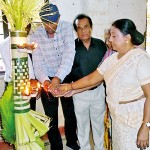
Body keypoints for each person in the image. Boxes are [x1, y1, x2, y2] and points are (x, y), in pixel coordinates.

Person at [56, 18, 150, 150]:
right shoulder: (112, 59)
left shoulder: (140, 58)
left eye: (114, 36)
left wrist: (146, 126)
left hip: (136, 120)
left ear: (127, 38)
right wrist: (72, 88)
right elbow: (93, 79)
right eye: (110, 36)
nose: (110, 40)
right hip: (118, 120)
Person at [29, 3, 79, 150]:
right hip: (46, 78)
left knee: (69, 112)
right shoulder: (35, 34)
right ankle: (56, 146)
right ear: (42, 21)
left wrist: (58, 78)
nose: (51, 26)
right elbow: (38, 63)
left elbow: (69, 56)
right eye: (47, 23)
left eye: (53, 22)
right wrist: (46, 81)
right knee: (50, 116)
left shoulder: (66, 28)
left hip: (65, 75)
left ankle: (72, 142)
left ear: (59, 18)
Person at [67, 14, 107, 150]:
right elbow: (66, 70)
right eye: (79, 28)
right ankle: (84, 148)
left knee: (98, 125)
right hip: (79, 94)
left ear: (91, 28)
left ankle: (99, 148)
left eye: (86, 27)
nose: (83, 31)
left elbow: (107, 68)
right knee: (82, 126)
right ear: (76, 30)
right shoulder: (71, 48)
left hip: (98, 92)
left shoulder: (101, 45)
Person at [0, 24, 37, 111]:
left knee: (29, 111)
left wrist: (33, 82)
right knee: (13, 113)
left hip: (29, 82)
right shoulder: (5, 44)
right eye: (26, 27)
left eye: (28, 27)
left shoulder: (30, 41)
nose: (27, 30)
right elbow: (10, 68)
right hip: (14, 83)